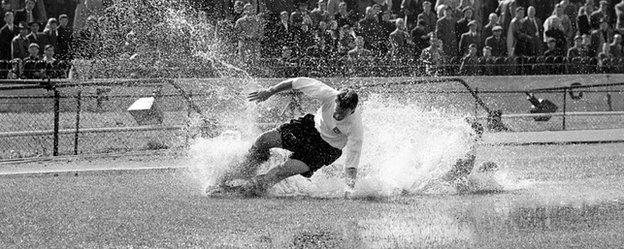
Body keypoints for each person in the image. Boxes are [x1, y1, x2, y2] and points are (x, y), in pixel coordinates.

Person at [211, 77, 363, 198]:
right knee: (262, 140)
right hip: (309, 128)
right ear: (335, 100)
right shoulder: (329, 94)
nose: (337, 115)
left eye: (342, 114)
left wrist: (349, 190)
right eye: (337, 110)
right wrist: (270, 91)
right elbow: (296, 82)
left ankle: (242, 192)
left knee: (279, 171)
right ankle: (243, 170)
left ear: (353, 110)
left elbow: (351, 164)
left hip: (324, 150)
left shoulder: (355, 128)